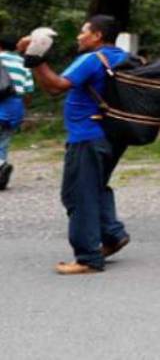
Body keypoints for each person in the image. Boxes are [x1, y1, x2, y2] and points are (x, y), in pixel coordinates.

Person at [19, 16, 130, 274]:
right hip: (112, 135)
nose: (79, 37)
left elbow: (56, 86)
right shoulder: (122, 58)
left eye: (83, 32)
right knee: (96, 187)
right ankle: (112, 235)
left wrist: (35, 57)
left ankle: (88, 258)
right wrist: (32, 59)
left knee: (78, 194)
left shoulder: (92, 59)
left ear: (97, 35)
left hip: (87, 136)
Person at [0, 35, 35, 190]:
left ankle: (1, 165)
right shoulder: (23, 62)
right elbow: (28, 90)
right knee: (3, 141)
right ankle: (1, 168)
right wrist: (23, 111)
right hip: (15, 107)